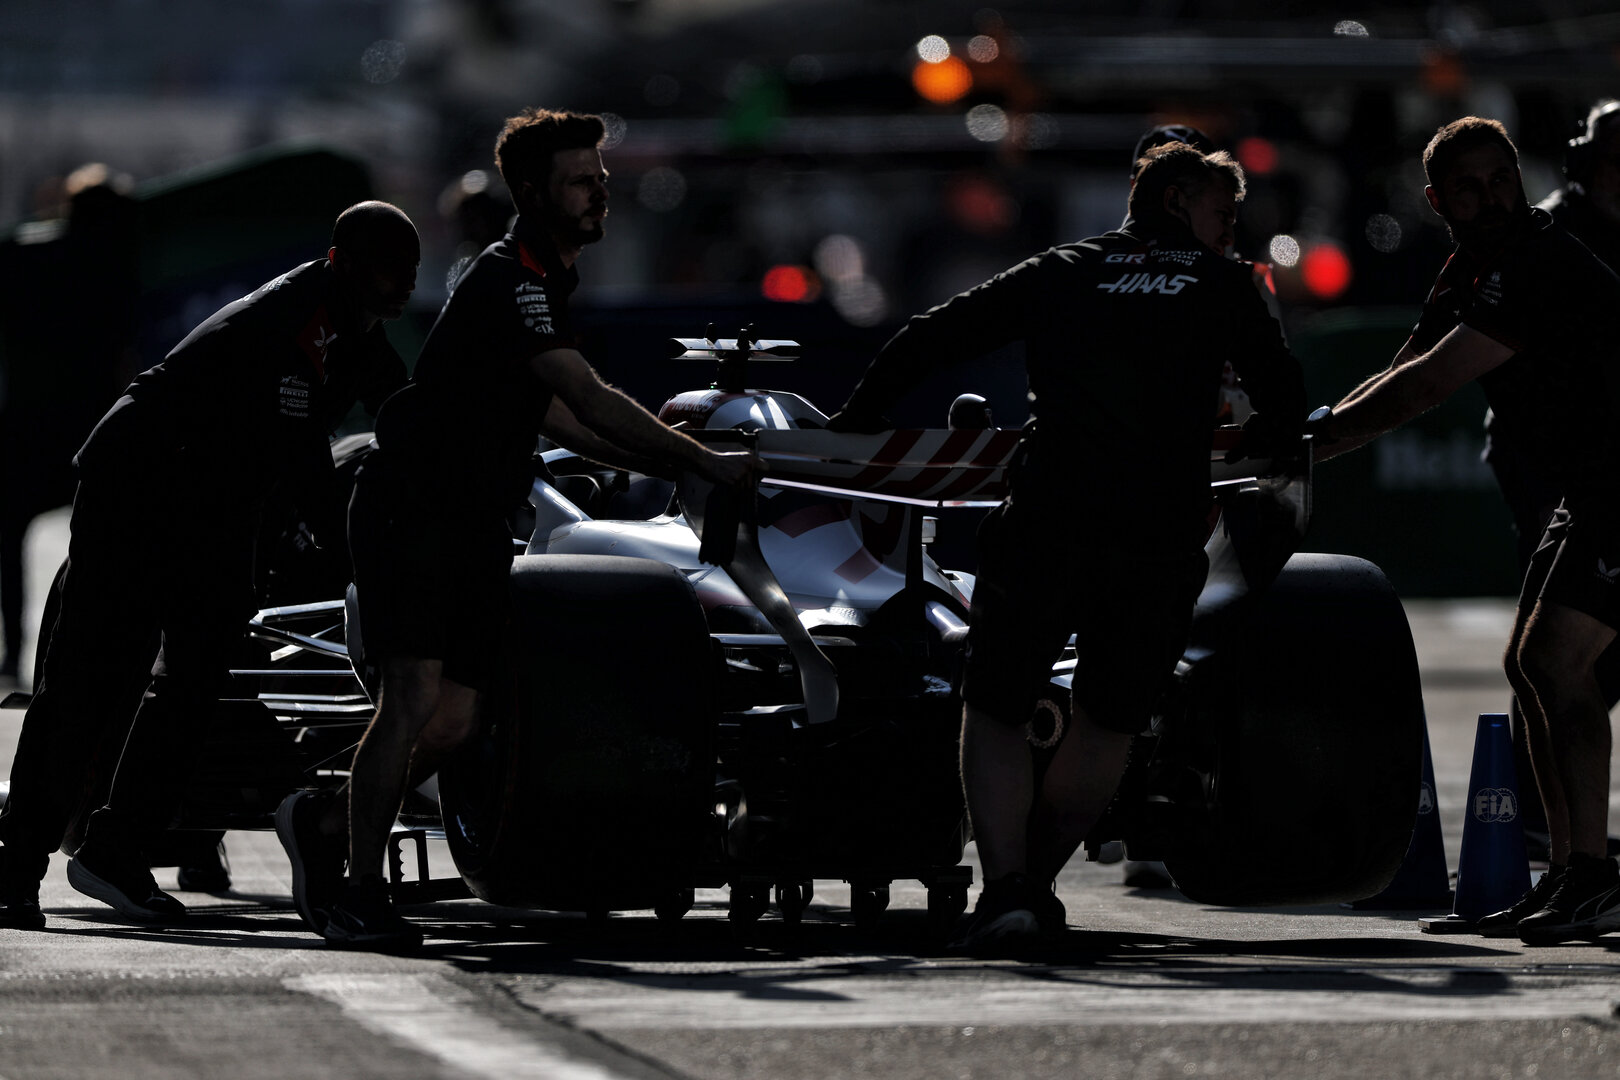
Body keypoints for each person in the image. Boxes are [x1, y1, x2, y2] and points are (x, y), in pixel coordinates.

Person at [275, 108, 762, 953]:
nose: (599, 193)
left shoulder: (545, 277)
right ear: (533, 191)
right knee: (412, 698)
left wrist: (659, 461)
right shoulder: (513, 278)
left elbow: (554, 417)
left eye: (602, 179)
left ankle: (322, 816)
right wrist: (704, 459)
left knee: (459, 723)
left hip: (471, 521)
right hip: (412, 510)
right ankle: (356, 893)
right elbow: (586, 394)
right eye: (582, 180)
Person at [825, 142, 1306, 955]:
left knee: (999, 702)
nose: (1230, 235)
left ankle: (1003, 887)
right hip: (1158, 529)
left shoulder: (1062, 268)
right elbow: (1282, 392)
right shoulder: (1224, 284)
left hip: (1053, 514)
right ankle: (1034, 887)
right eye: (1224, 216)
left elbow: (925, 337)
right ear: (1181, 200)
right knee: (1109, 718)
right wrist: (1274, 435)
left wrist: (855, 424)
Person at [0, 202, 417, 928]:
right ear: (342, 262)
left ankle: (116, 848)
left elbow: (407, 413)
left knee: (198, 677)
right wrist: (361, 564)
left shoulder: (355, 323)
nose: (401, 286)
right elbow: (305, 468)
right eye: (388, 272)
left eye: (408, 274)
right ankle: (14, 867)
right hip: (140, 488)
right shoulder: (300, 321)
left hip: (205, 503)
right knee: (90, 680)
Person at [1315, 117, 1620, 945]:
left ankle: (1593, 878)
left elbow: (1425, 390)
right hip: (1591, 489)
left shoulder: (1532, 262)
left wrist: (1309, 446)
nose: (1489, 198)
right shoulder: (1469, 267)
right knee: (1532, 666)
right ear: (1436, 199)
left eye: (1500, 180)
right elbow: (1404, 363)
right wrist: (1312, 429)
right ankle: (1573, 873)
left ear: (1520, 180)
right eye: (1468, 187)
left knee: (1558, 663)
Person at [1483, 100, 1620, 861]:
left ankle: (1576, 848)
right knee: (1553, 653)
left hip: (1606, 471)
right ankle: (1566, 842)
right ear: (1584, 164)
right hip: (1555, 466)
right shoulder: (1549, 235)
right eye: (1613, 164)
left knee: (1561, 655)